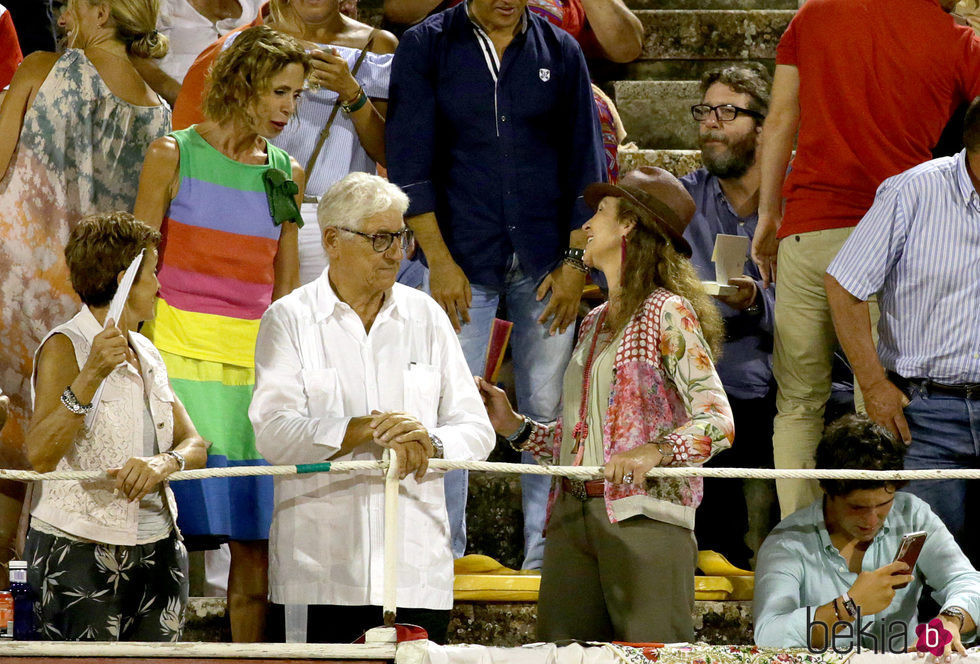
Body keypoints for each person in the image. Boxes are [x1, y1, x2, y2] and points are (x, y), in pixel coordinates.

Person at [386, 0, 605, 569]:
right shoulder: (426, 45)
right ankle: (444, 556)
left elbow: (587, 161)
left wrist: (576, 262)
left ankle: (546, 559)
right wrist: (438, 258)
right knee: (449, 407)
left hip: (546, 262)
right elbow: (409, 160)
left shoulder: (561, 50)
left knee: (548, 406)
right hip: (460, 257)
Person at [477, 167, 734, 643]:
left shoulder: (667, 311)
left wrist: (652, 453)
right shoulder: (594, 320)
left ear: (630, 225)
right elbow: (584, 441)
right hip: (574, 516)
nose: (587, 223)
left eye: (601, 211)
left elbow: (718, 421)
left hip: (645, 518)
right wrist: (515, 426)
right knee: (562, 652)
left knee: (651, 652)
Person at [750, 0, 980, 519]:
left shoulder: (812, 16)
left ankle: (797, 542)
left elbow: (781, 116)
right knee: (877, 407)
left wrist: (768, 214)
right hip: (894, 238)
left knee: (797, 408)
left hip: (809, 227)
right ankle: (865, 551)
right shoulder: (954, 38)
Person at [249, 172, 495, 644]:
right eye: (380, 238)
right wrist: (364, 428)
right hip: (319, 573)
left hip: (416, 571)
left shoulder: (427, 317)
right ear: (332, 241)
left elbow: (475, 428)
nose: (396, 252)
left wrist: (431, 440)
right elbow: (275, 434)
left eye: (400, 237)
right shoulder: (288, 320)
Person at [132, 24, 307, 642]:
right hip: (177, 361)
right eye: (280, 92)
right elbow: (137, 265)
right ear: (243, 86)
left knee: (253, 540)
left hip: (250, 372)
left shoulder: (284, 171)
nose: (290, 108)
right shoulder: (171, 153)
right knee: (164, 528)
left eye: (297, 95)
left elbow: (285, 292)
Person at [0, 0, 170, 574]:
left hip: (10, 300)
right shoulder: (160, 116)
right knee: (48, 462)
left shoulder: (40, 68)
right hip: (84, 317)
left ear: (99, 11)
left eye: (68, 7)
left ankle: (10, 606)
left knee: (12, 459)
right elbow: (140, 245)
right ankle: (28, 605)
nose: (62, 19)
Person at [24, 212, 207, 641]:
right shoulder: (64, 347)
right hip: (79, 554)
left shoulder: (146, 351)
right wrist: (90, 375)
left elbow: (195, 442)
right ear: (126, 280)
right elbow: (40, 456)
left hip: (160, 549)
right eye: (153, 274)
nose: (160, 287)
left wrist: (165, 462)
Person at [824, 96, 980, 567]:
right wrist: (873, 383)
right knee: (917, 569)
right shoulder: (912, 193)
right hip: (925, 416)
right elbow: (844, 284)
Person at [171, 0, 397, 286]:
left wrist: (352, 93)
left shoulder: (378, 46)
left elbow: (389, 154)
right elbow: (220, 127)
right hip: (251, 205)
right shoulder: (246, 42)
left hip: (340, 221)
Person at [754, 415, 980, 654]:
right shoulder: (787, 542)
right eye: (857, 507)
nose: (872, 520)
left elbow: (966, 581)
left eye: (884, 503)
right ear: (825, 488)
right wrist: (849, 606)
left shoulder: (912, 514)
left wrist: (950, 620)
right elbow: (768, 634)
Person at [681, 63, 776, 569]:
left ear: (764, 125)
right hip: (711, 381)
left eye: (727, 111)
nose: (710, 123)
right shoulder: (681, 199)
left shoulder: (799, 198)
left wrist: (759, 301)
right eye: (704, 111)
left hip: (788, 379)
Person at [130, 0, 263, 106]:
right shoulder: (155, 7)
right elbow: (133, 57)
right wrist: (183, 100)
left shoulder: (265, 8)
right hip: (177, 121)